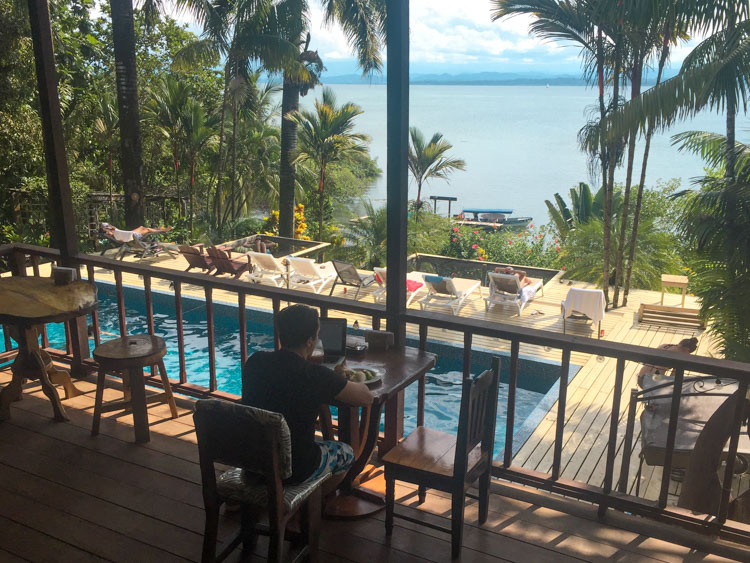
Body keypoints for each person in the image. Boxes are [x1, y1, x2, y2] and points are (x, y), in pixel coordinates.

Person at [241, 304, 373, 484]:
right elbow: (366, 398)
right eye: (317, 335)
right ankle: (313, 497)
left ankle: (303, 495)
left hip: (253, 461)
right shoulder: (313, 375)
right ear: (310, 341)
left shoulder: (255, 362)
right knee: (346, 453)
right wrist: (343, 377)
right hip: (296, 468)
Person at [100, 222, 172, 243]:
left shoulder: (115, 233)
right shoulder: (114, 232)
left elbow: (120, 237)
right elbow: (120, 239)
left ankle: (158, 229)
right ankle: (163, 230)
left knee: (141, 227)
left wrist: (111, 229)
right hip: (134, 237)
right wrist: (112, 228)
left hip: (130, 235)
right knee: (148, 229)